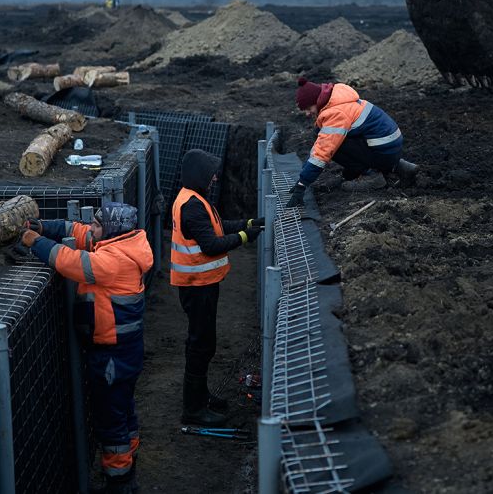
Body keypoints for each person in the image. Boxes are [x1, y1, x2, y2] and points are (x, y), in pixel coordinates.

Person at [21, 202, 152, 493]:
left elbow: (70, 261)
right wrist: (45, 227)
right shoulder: (123, 244)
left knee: (110, 418)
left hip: (112, 357)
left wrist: (36, 241)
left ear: (112, 229)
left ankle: (119, 481)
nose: (91, 228)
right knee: (123, 408)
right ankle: (129, 458)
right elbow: (79, 232)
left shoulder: (113, 261)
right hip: (123, 352)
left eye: (97, 224)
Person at [170, 148, 262, 427]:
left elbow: (218, 227)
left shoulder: (194, 198)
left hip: (201, 285)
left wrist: (248, 224)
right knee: (200, 344)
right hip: (197, 287)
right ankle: (193, 409)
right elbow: (211, 245)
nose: (214, 179)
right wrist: (245, 237)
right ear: (199, 175)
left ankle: (200, 397)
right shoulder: (192, 205)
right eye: (210, 174)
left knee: (203, 343)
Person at [284, 76, 418, 209]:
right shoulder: (338, 98)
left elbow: (322, 153)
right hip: (390, 147)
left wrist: (302, 184)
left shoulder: (336, 113)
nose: (307, 114)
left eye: (308, 108)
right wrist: (303, 177)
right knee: (328, 137)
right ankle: (399, 166)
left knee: (334, 146)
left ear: (317, 101)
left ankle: (373, 177)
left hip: (384, 151)